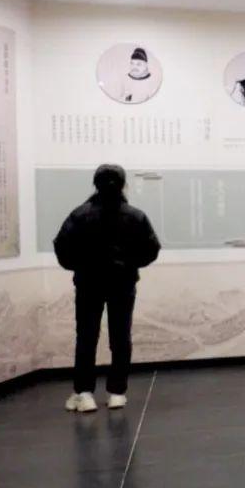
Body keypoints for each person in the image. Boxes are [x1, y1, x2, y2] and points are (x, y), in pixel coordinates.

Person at [53, 165, 161, 413]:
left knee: (86, 336)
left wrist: (79, 267)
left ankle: (84, 393)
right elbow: (151, 249)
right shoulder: (135, 216)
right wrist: (130, 265)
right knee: (121, 337)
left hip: (88, 283)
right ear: (124, 185)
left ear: (95, 184)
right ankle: (117, 393)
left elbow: (62, 246)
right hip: (123, 284)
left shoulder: (80, 215)